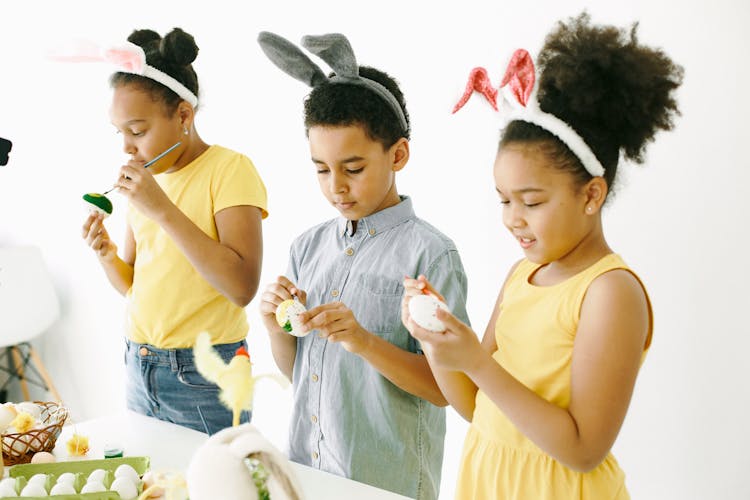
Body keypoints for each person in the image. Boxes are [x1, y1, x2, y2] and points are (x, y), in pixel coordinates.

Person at [403, 13, 683, 499]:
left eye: (531, 202)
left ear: (592, 195)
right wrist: (438, 343)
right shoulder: (521, 275)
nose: (513, 218)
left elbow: (582, 448)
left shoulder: (610, 292)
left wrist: (475, 359)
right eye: (503, 200)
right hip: (489, 481)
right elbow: (475, 404)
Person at [257, 32, 469, 500]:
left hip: (383, 485)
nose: (336, 187)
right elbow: (304, 375)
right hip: (307, 474)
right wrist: (276, 329)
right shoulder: (307, 246)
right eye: (320, 168)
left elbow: (445, 390)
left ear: (397, 154)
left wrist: (364, 342)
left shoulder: (430, 254)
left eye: (353, 169)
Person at [81, 27, 268, 434]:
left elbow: (241, 286)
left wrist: (163, 210)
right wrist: (107, 254)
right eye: (120, 134)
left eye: (138, 130)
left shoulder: (229, 169)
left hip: (204, 375)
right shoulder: (148, 183)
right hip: (139, 363)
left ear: (184, 115)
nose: (127, 148)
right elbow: (135, 287)